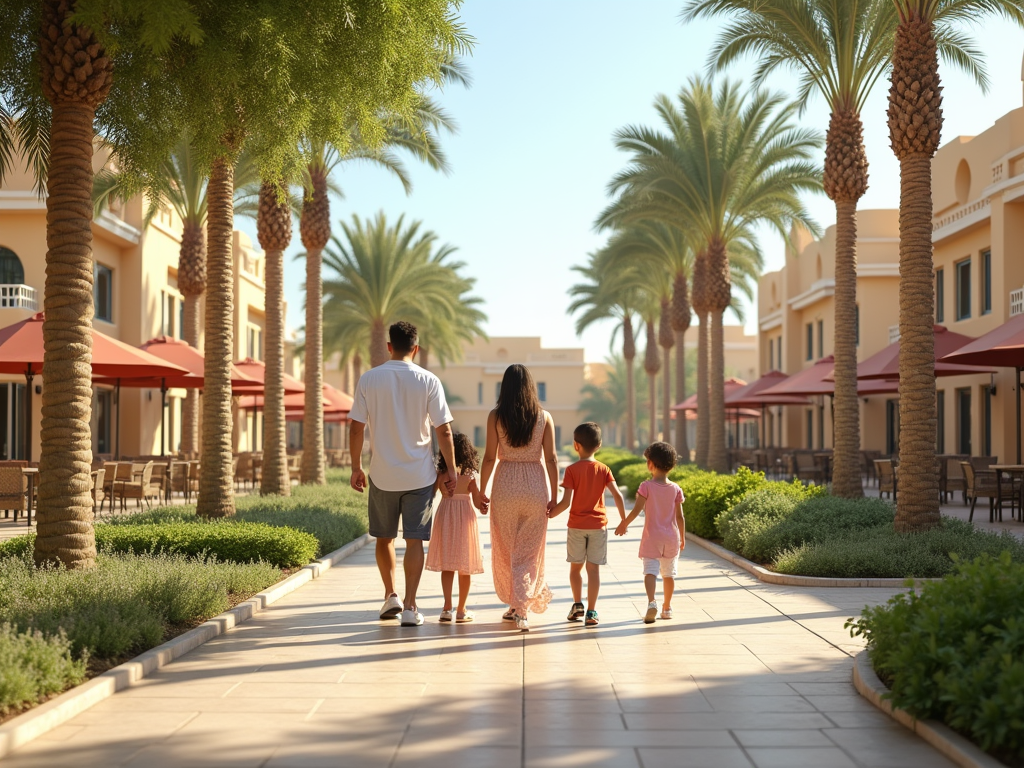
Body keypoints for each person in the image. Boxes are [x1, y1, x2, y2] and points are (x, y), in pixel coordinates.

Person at [349, 321, 463, 627]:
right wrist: (451, 470)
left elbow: (356, 426)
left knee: (384, 538)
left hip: (382, 475)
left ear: (389, 346)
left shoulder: (369, 379)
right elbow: (445, 430)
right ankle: (411, 607)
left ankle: (391, 596)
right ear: (416, 348)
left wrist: (355, 467)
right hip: (420, 477)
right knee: (414, 541)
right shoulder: (429, 380)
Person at [480, 364, 557, 632]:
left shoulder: (495, 416)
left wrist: (481, 490)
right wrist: (556, 496)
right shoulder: (544, 417)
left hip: (505, 486)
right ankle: (519, 607)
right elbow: (551, 459)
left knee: (507, 549)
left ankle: (517, 607)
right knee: (528, 552)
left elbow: (490, 457)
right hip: (536, 486)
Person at [548, 422, 626, 627]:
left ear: (576, 445)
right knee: (594, 571)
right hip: (598, 526)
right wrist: (624, 520)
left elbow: (565, 503)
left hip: (576, 526)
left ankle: (577, 605)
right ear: (599, 445)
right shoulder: (604, 469)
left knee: (575, 569)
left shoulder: (572, 470)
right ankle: (592, 612)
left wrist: (548, 514)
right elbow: (617, 495)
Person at [615, 442, 684, 623]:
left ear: (650, 464)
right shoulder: (676, 488)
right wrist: (682, 539)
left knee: (650, 572)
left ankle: (652, 601)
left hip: (652, 538)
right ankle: (667, 607)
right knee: (669, 574)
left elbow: (637, 510)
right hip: (671, 538)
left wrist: (624, 524)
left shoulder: (646, 486)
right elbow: (680, 518)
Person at [425, 432, 487, 623]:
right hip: (464, 520)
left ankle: (446, 608)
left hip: (445, 517)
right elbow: (477, 503)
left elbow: (430, 495)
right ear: (468, 452)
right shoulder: (469, 476)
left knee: (448, 565)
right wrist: (483, 505)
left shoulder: (441, 474)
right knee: (465, 565)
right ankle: (461, 610)